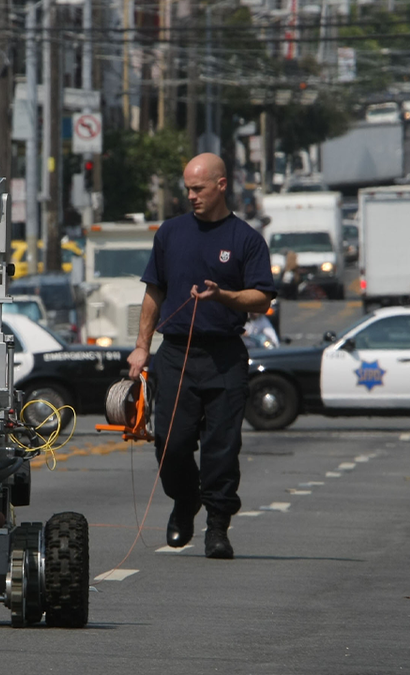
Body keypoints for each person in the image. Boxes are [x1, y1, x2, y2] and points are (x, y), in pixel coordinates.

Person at [127, 153, 277, 560]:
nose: (191, 196)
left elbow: (261, 299)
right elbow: (153, 292)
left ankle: (216, 526)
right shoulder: (171, 233)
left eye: (199, 188)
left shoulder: (245, 239)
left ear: (221, 185)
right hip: (176, 354)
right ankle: (184, 499)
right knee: (171, 445)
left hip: (225, 355)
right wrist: (142, 346)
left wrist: (224, 295)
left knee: (221, 447)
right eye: (187, 189)